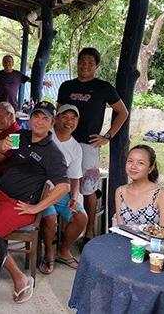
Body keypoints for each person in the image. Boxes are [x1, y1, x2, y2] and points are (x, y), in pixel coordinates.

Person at [0, 101, 70, 303]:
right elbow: (1, 148)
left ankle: (20, 278)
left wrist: (37, 208)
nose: (40, 121)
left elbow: (64, 186)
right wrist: (2, 145)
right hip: (0, 195)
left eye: (45, 118)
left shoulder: (53, 153)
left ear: (52, 122)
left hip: (20, 205)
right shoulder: (23, 136)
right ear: (30, 118)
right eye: (37, 116)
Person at [56, 47, 129, 241]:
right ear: (77, 62)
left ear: (96, 66)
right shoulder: (66, 86)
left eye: (90, 62)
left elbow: (123, 112)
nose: (85, 65)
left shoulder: (103, 87)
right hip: (64, 143)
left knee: (88, 188)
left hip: (89, 145)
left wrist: (108, 136)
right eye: (82, 61)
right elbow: (58, 113)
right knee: (59, 183)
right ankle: (60, 228)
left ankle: (88, 233)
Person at [39, 104, 87, 273]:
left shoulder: (76, 147)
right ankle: (49, 254)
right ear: (56, 119)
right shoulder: (45, 135)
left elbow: (75, 177)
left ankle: (63, 250)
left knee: (81, 217)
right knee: (50, 218)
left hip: (60, 192)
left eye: (73, 118)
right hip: (39, 192)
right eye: (65, 117)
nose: (69, 121)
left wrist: (74, 197)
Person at [113, 145, 164, 228]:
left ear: (151, 168)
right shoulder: (120, 192)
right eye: (130, 161)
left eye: (140, 163)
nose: (133, 166)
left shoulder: (162, 195)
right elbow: (120, 228)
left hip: (154, 241)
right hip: (124, 240)